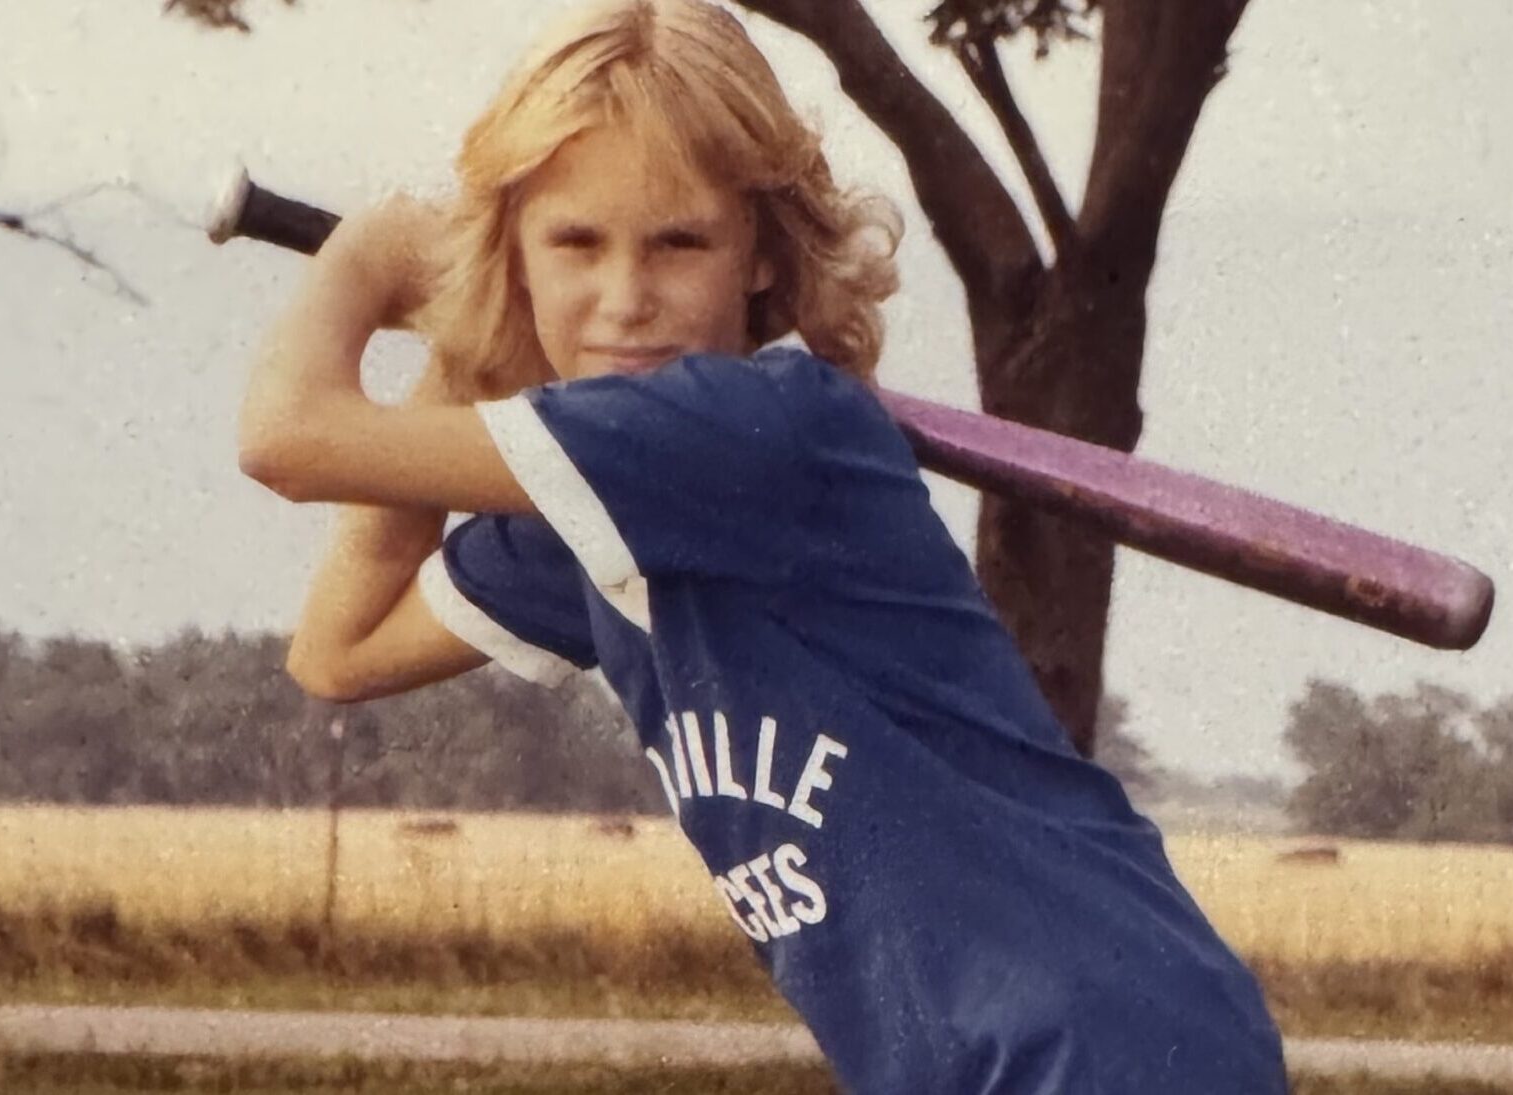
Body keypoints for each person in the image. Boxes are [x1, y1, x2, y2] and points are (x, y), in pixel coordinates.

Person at [235, 1, 1289, 1090]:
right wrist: (465, 336)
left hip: (1101, 1045)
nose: (625, 301)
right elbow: (339, 650)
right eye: (574, 243)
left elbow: (288, 441)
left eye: (679, 242)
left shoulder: (753, 428)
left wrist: (371, 260)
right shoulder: (611, 513)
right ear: (518, 253)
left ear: (760, 255)